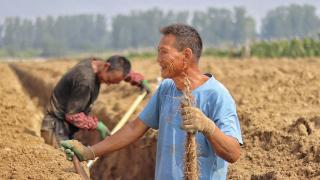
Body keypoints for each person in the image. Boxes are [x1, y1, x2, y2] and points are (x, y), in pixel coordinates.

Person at [61, 24, 243, 180]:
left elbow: (233, 153)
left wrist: (208, 127)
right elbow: (134, 128)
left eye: (164, 53)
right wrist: (89, 152)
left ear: (186, 56)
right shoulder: (166, 89)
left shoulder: (217, 94)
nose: (158, 60)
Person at [41, 55, 150, 148]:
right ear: (106, 67)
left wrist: (138, 79)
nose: (109, 84)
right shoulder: (85, 81)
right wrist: (97, 125)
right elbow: (72, 115)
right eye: (108, 80)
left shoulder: (97, 64)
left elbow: (120, 71)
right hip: (55, 128)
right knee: (63, 165)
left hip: (64, 127)